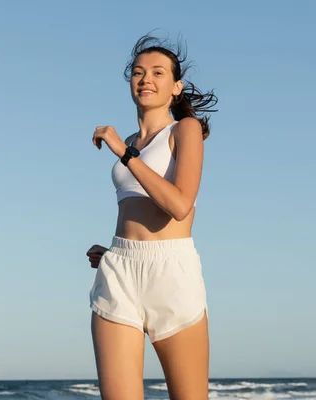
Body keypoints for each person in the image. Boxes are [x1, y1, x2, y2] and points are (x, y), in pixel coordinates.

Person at [86, 33, 218, 400]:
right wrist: (113, 250)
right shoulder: (131, 140)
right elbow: (135, 208)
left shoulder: (184, 130)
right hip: (120, 271)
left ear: (176, 87)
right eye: (139, 72)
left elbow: (179, 205)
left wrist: (125, 155)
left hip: (172, 274)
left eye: (158, 73)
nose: (146, 79)